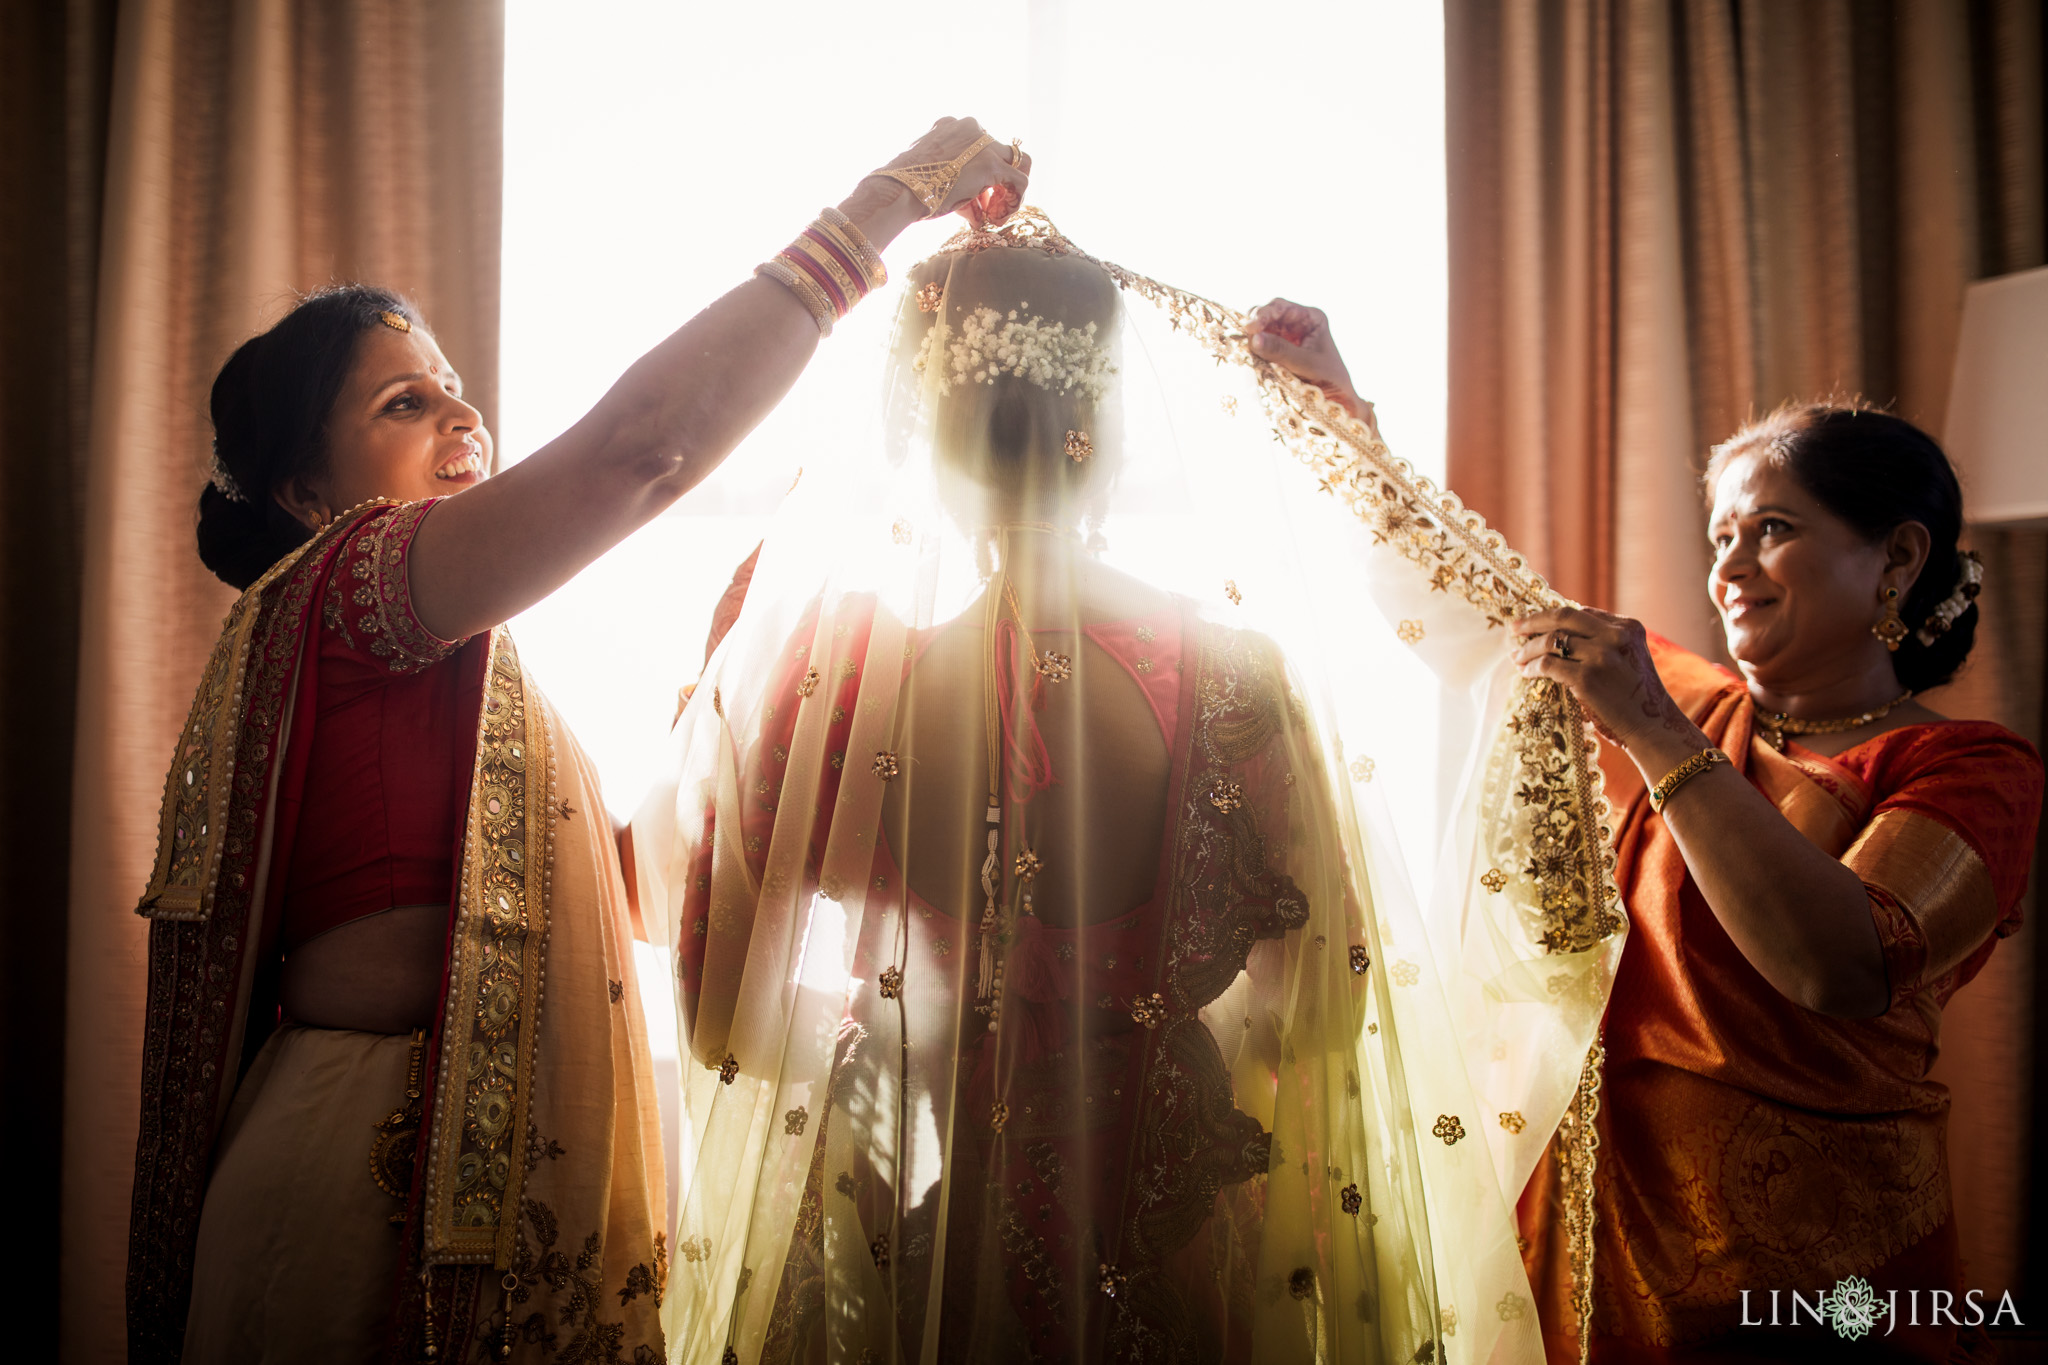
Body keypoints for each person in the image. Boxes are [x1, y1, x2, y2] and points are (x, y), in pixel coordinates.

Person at [633, 211, 1629, 1365]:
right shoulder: (1226, 678)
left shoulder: (833, 692)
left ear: (921, 439)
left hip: (917, 1234)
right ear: (1100, 433)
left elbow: (724, 1023)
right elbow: (1320, 1015)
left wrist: (901, 1036)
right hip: (1172, 1224)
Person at [127, 118, 1029, 1365]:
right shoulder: (344, 593)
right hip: (358, 1183)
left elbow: (628, 898)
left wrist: (733, 676)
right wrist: (885, 204)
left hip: (482, 1176)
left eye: (450, 382)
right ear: (305, 497)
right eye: (403, 401)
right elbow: (639, 453)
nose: (461, 410)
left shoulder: (470, 676)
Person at [1258, 314, 2042, 1361]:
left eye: (1772, 528)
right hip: (1598, 1224)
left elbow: (1841, 963)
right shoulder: (1683, 700)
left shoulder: (1968, 767)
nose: (1730, 566)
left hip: (1817, 1275)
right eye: (1719, 536)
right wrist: (1335, 412)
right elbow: (1469, 596)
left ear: (1894, 556)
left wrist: (1651, 728)